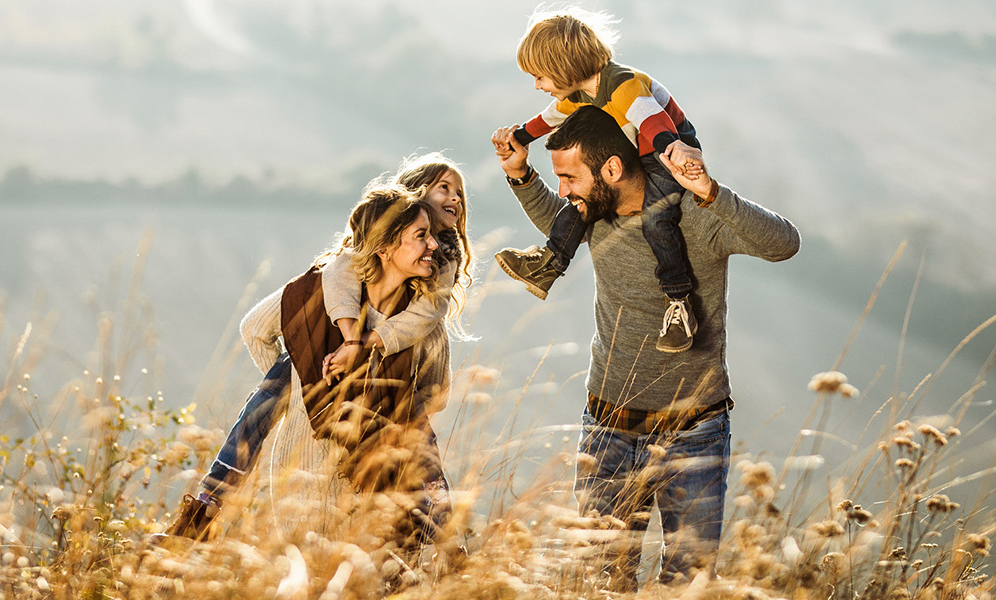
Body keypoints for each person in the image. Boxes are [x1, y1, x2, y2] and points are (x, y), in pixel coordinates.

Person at [492, 105, 798, 589]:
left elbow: (784, 243)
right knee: (598, 581)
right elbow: (555, 218)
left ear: (612, 169)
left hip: (693, 432)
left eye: (570, 178)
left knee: (688, 585)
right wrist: (520, 174)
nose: (565, 191)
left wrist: (710, 192)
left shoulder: (697, 220)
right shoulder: (595, 217)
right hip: (608, 426)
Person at [156, 157, 473, 549]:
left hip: (365, 448)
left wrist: (364, 351)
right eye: (444, 188)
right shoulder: (333, 278)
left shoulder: (435, 277)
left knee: (420, 458)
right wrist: (308, 382)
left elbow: (430, 327)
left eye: (459, 192)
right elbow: (328, 277)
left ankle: (450, 549)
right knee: (265, 408)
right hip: (320, 427)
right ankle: (209, 502)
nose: (455, 199)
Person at [491, 8, 707, 353]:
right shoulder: (578, 94)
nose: (537, 85)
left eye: (540, 76)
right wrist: (518, 137)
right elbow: (546, 120)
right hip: (632, 150)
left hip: (667, 151)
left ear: (564, 67)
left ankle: (679, 302)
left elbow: (653, 123)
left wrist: (677, 152)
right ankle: (550, 263)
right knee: (584, 198)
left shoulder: (623, 86)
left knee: (657, 218)